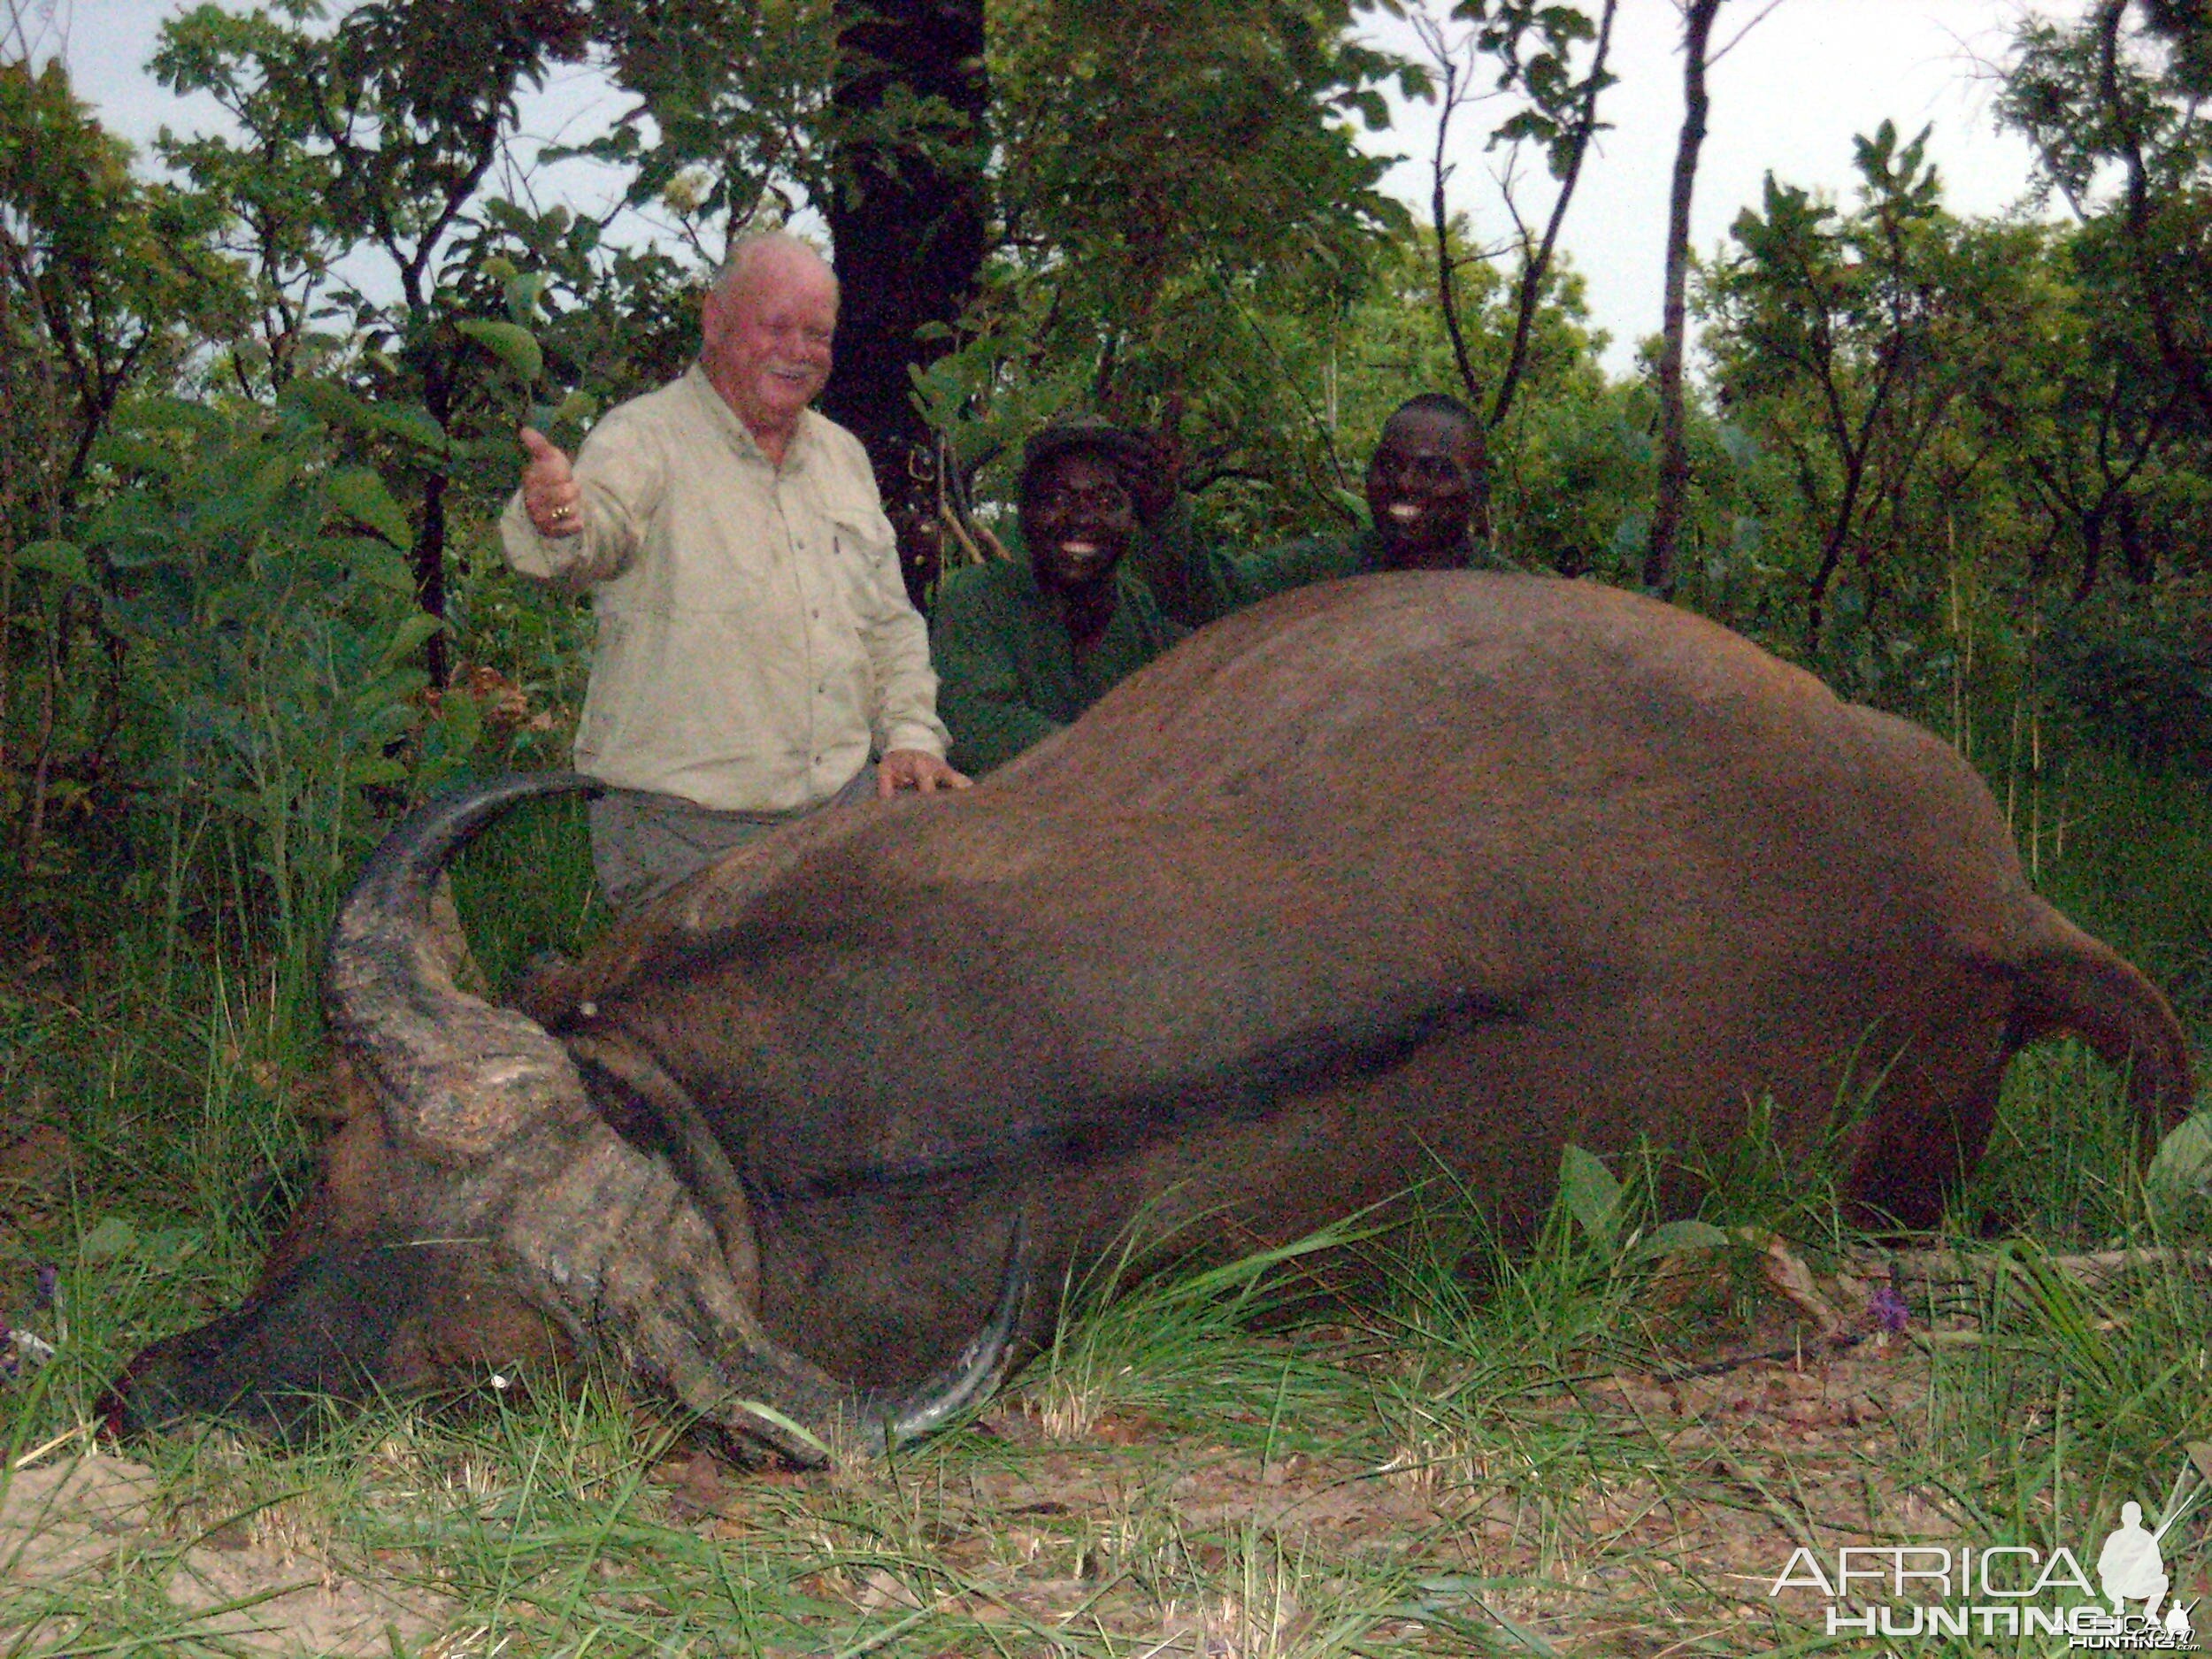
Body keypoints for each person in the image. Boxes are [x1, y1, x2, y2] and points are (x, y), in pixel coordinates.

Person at [502, 232, 967, 909]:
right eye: (776, 325)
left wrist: (913, 738)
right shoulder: (643, 438)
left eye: (818, 334)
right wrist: (556, 516)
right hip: (683, 831)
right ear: (714, 318)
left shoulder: (843, 456)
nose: (799, 351)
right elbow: (593, 535)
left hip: (842, 809)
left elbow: (889, 624)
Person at [929, 416, 1186, 775]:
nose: (1082, 517)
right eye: (1057, 498)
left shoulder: (1142, 612)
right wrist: (1117, 761)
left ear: (1132, 518)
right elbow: (976, 731)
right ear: (1026, 511)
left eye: (1106, 500)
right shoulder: (976, 598)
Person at [1137, 393, 1519, 629]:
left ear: (1477, 493)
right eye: (1388, 465)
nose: (1405, 483)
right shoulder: (1321, 569)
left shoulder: (1513, 597)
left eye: (1434, 471)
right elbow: (1212, 597)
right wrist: (1162, 508)